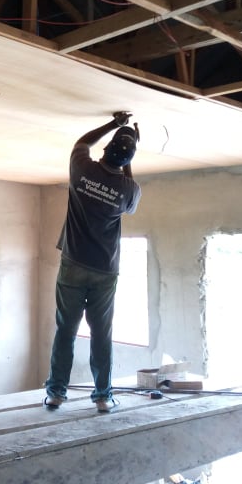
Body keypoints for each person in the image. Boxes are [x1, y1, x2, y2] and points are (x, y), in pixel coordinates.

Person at [44, 112, 141, 413]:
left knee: (66, 330)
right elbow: (127, 192)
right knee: (101, 334)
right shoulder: (129, 190)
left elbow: (82, 142)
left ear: (105, 149)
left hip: (73, 263)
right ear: (126, 163)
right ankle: (102, 396)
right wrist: (129, 153)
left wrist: (116, 125)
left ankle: (57, 394)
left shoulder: (81, 169)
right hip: (105, 270)